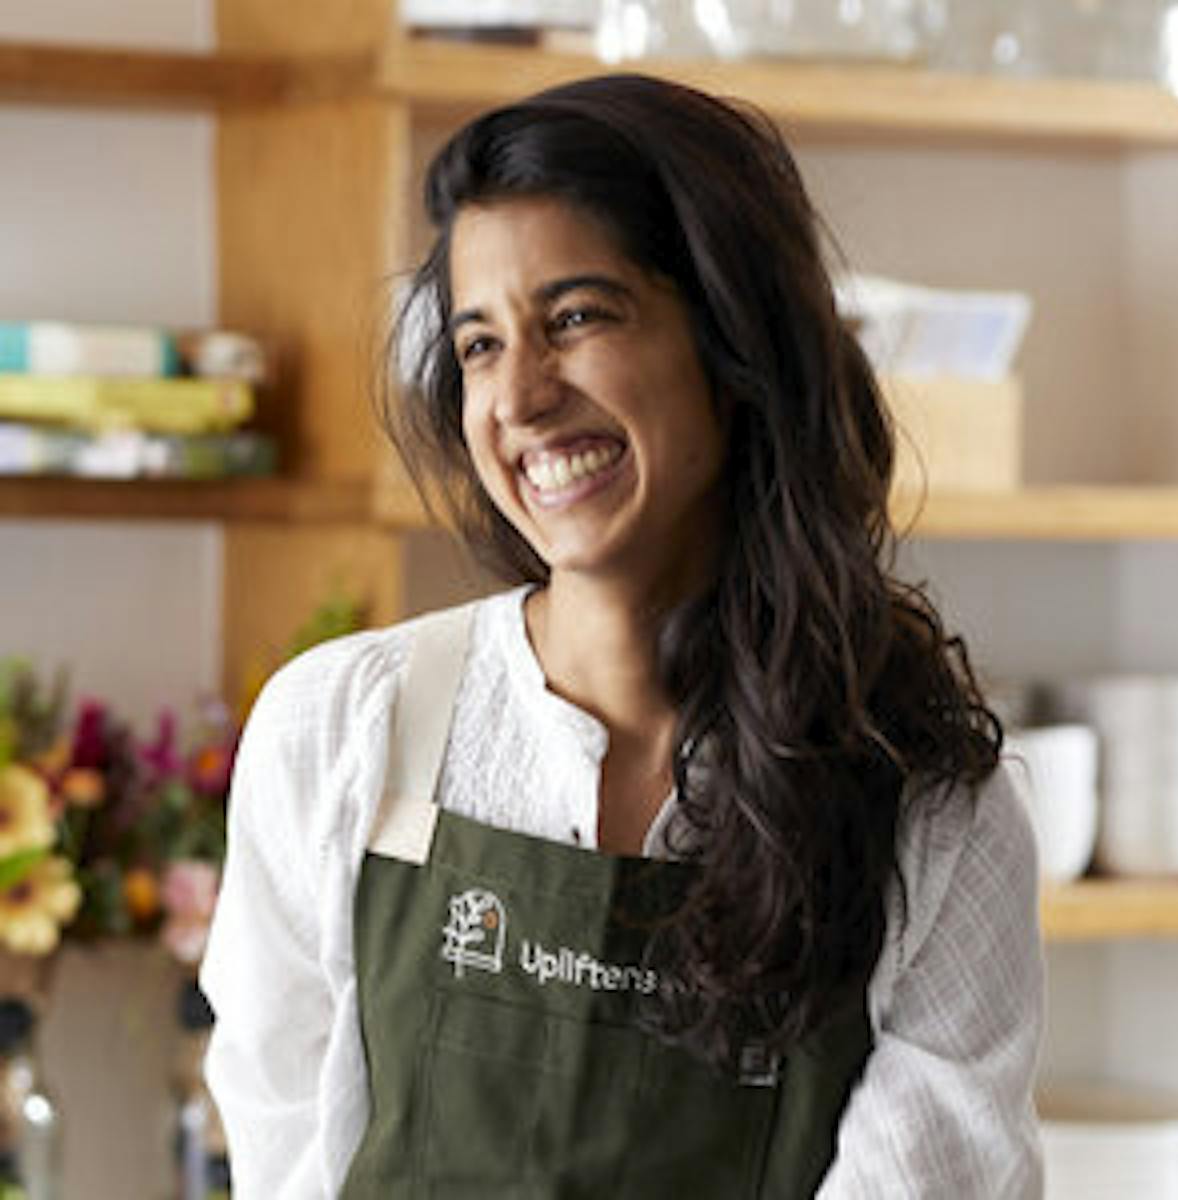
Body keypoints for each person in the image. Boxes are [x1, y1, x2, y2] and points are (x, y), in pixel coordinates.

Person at [200, 73, 1044, 1198]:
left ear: (731, 342)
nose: (522, 398)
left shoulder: (928, 808)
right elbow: (283, 1155)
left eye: (578, 318)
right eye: (482, 345)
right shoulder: (344, 729)